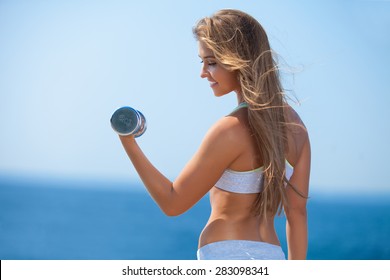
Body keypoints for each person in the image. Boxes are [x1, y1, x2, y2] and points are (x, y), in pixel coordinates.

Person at [118, 9, 310, 260]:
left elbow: (173, 203)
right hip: (273, 256)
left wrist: (127, 140)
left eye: (212, 62)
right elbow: (297, 214)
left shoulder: (230, 130)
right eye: (202, 62)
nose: (203, 73)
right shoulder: (297, 128)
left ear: (238, 60)